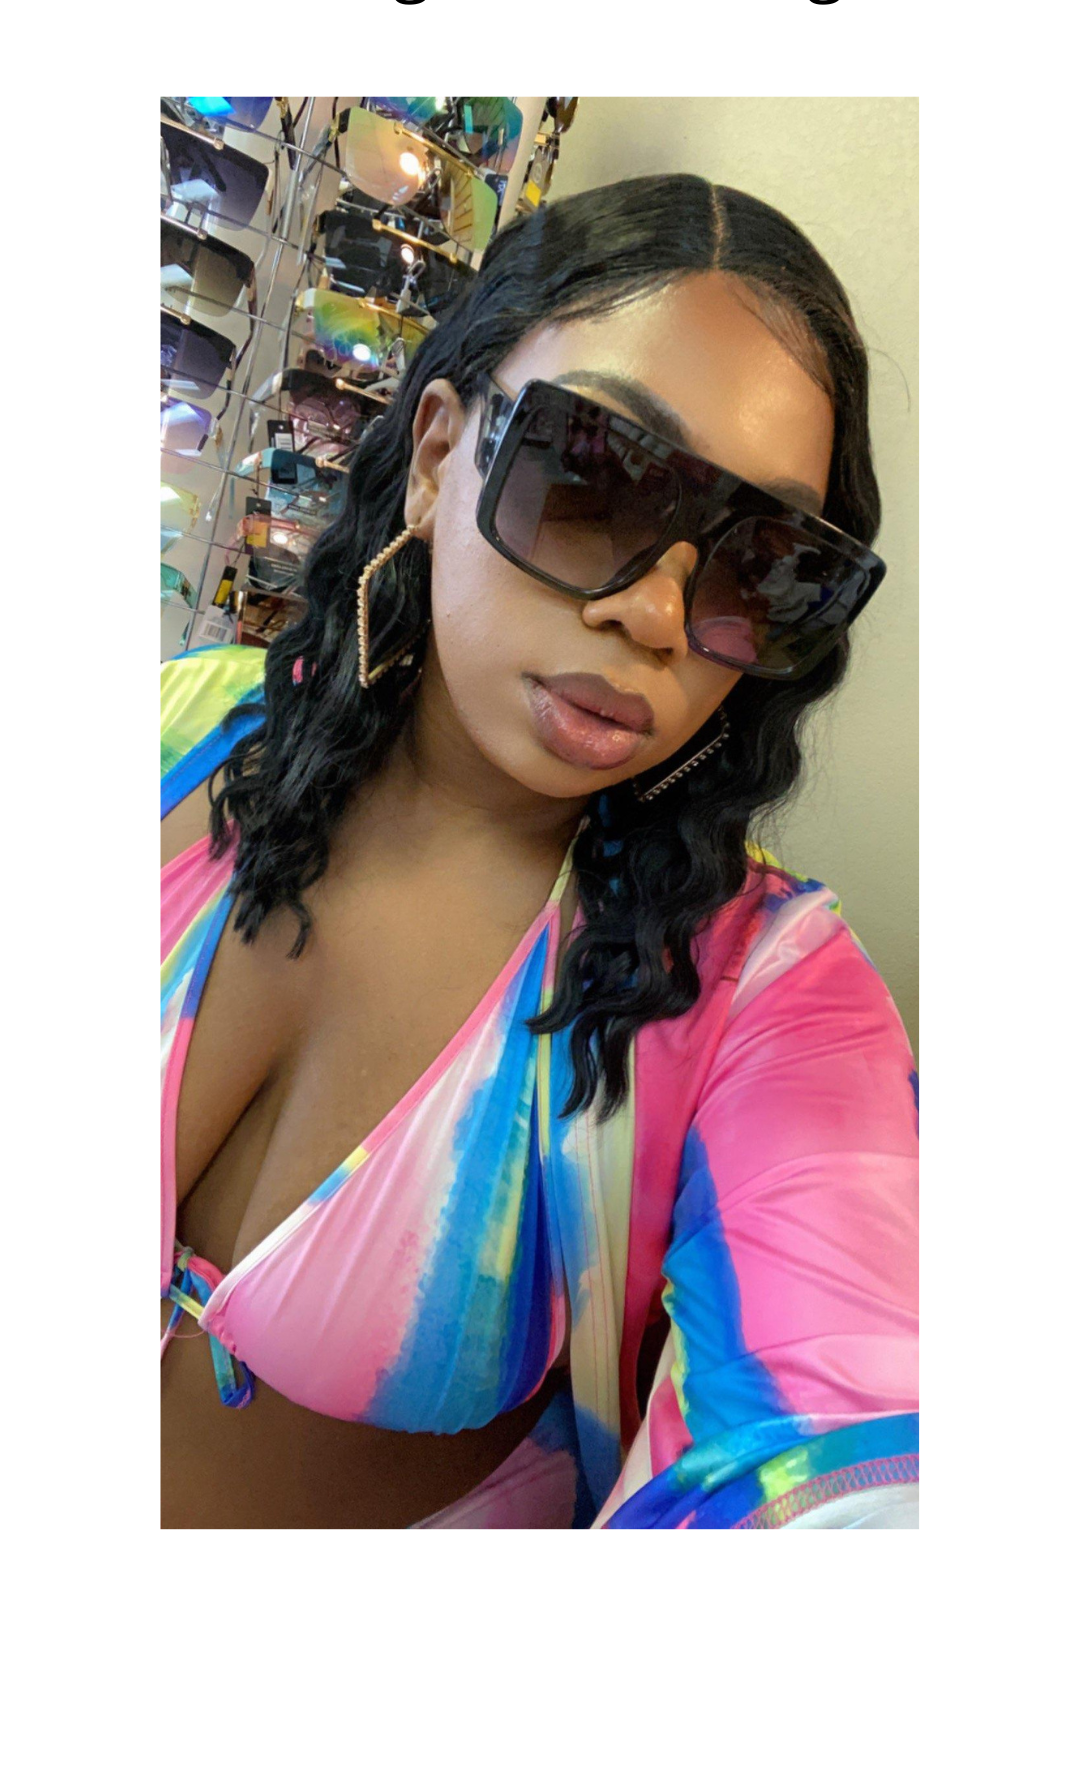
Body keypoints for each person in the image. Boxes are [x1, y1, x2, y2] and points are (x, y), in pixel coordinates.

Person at [161, 173, 919, 1530]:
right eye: (594, 475)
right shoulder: (180, 729)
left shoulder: (762, 995)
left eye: (758, 563)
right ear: (439, 453)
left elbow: (858, 1447)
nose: (657, 615)